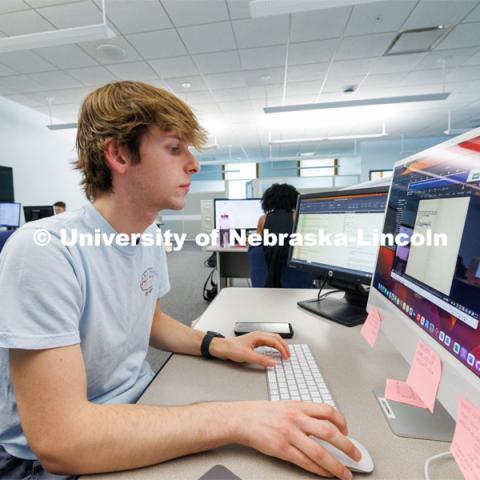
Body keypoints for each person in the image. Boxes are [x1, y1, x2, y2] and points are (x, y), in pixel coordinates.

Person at [0, 81, 360, 480]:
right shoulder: (45, 249)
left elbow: (149, 321)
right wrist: (233, 419)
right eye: (175, 149)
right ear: (118, 153)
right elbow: (61, 443)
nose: (193, 164)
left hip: (138, 405)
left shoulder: (148, 235)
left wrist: (219, 345)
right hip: (57, 462)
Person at [257, 183, 299, 287]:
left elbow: (257, 244)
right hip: (293, 274)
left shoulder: (263, 219)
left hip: (269, 273)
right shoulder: (297, 217)